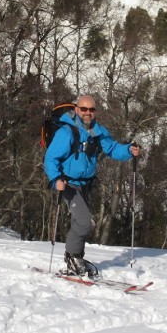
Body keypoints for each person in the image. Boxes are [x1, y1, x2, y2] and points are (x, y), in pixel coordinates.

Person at [43, 95, 141, 277]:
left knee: (78, 221)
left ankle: (77, 258)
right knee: (84, 221)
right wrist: (55, 178)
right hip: (68, 183)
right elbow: (50, 158)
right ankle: (72, 257)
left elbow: (112, 149)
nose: (88, 113)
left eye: (91, 110)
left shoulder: (98, 132)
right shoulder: (66, 132)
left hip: (86, 184)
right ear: (77, 109)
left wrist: (128, 150)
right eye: (84, 109)